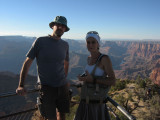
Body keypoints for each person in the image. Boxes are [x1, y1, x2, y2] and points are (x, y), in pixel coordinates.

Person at [16, 16, 70, 120]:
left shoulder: (65, 44)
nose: (60, 27)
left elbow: (66, 63)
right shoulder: (40, 41)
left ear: (65, 29)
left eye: (63, 26)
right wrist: (21, 85)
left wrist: (65, 78)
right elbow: (27, 63)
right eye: (58, 25)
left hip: (62, 87)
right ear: (52, 26)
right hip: (46, 88)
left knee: (62, 115)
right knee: (50, 117)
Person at [74, 31, 116, 120]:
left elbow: (113, 81)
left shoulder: (104, 59)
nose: (90, 45)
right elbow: (90, 77)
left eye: (93, 42)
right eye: (88, 42)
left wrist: (93, 80)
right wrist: (83, 79)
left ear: (98, 44)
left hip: (96, 105)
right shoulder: (88, 58)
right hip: (85, 102)